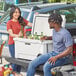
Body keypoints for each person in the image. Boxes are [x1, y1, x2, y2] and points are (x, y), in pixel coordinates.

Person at [7, 5, 32, 72]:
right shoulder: (9, 22)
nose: (17, 14)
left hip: (21, 44)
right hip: (13, 44)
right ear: (12, 13)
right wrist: (18, 35)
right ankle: (13, 73)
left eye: (18, 12)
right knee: (15, 61)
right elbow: (11, 34)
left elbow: (30, 24)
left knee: (20, 62)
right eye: (15, 12)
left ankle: (17, 73)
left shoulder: (21, 20)